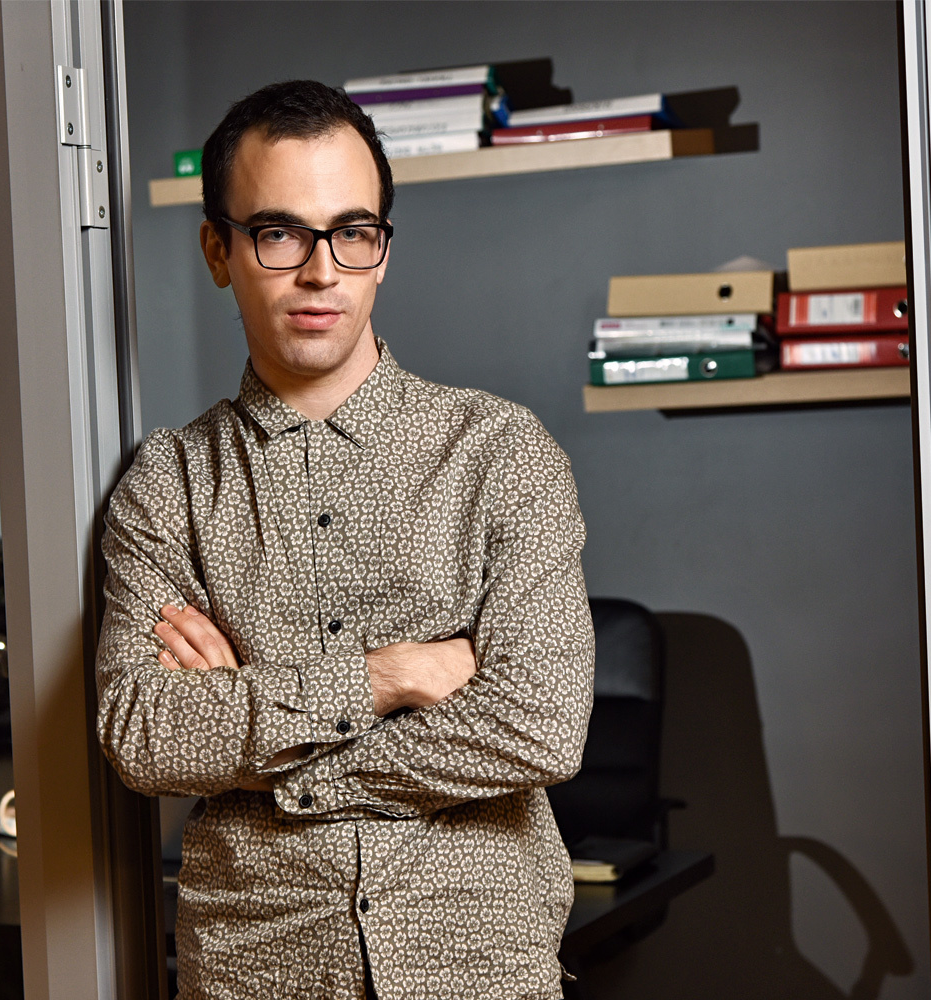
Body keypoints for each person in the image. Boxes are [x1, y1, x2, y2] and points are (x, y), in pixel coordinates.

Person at [96, 79, 595, 1000]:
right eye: (279, 233)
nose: (322, 272)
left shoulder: (501, 454)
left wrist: (268, 759)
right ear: (218, 250)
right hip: (254, 973)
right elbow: (145, 735)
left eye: (352, 232)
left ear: (382, 252)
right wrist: (390, 677)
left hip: (478, 969)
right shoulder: (169, 484)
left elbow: (542, 725)